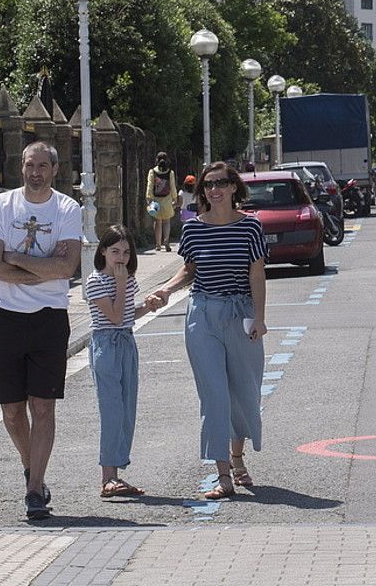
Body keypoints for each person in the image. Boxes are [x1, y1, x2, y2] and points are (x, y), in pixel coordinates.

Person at [146, 162, 268, 500]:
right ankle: (223, 474)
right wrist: (166, 289)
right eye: (208, 185)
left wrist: (259, 317)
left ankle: (238, 458)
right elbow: (189, 271)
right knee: (213, 393)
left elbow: (256, 275)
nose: (214, 190)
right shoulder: (193, 229)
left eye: (221, 183)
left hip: (240, 312)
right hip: (203, 314)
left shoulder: (250, 228)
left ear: (233, 187)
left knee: (243, 390)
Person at [0, 141, 82, 520]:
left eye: (42, 166)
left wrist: (17, 258)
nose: (35, 172)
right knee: (11, 410)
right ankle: (30, 465)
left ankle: (35, 489)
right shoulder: (1, 206)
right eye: (29, 165)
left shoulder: (67, 209)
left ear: (54, 169)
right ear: (20, 168)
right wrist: (41, 268)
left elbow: (67, 268)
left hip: (50, 318)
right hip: (6, 316)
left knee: (43, 405)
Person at [85, 224, 161, 498]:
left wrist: (148, 306)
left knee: (128, 410)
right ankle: (108, 477)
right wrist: (119, 283)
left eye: (126, 252)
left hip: (127, 341)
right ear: (103, 251)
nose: (121, 258)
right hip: (106, 343)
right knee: (112, 412)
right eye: (115, 251)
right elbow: (113, 317)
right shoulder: (95, 281)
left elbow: (127, 314)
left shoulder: (127, 280)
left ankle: (116, 473)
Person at [145, 152, 178, 252]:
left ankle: (158, 244)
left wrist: (148, 197)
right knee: (167, 221)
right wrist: (175, 197)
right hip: (167, 199)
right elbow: (172, 186)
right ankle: (166, 241)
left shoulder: (152, 172)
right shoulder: (170, 172)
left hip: (156, 200)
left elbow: (150, 185)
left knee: (158, 222)